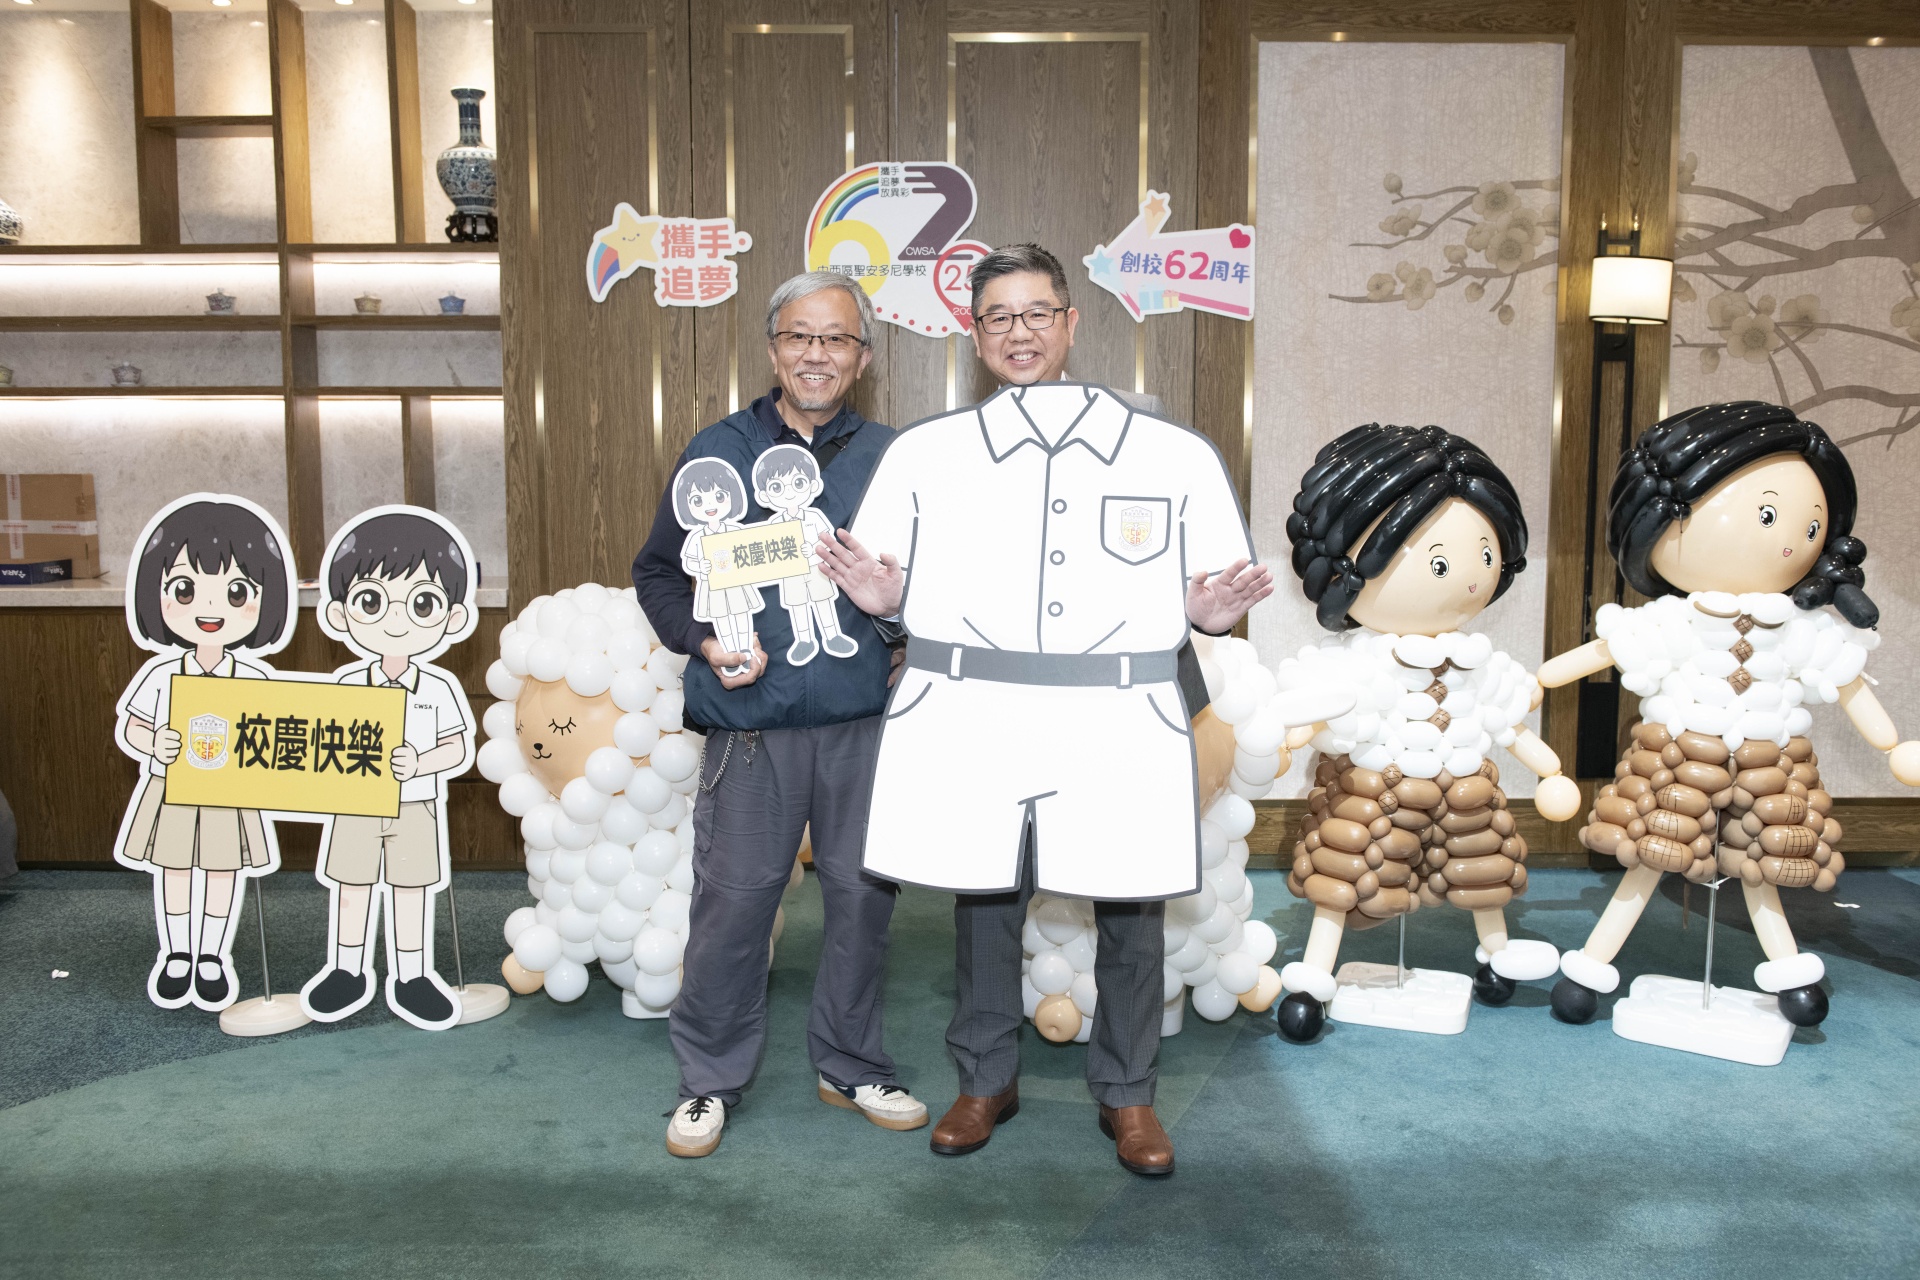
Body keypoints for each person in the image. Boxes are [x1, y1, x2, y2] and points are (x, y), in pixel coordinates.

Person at [816, 244, 1274, 1178]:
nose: (1019, 333)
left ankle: (1130, 1094)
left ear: (1070, 322)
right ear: (973, 333)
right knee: (984, 900)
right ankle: (986, 1079)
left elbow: (1208, 596)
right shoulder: (926, 454)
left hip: (1117, 716)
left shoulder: (1173, 453)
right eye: (998, 317)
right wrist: (884, 601)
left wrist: (1209, 614)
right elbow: (889, 588)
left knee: (1131, 901)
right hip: (978, 712)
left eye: (1036, 314)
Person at [632, 270, 926, 1158]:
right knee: (734, 906)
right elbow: (658, 572)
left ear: (864, 358)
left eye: (837, 339)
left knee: (863, 903)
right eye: (800, 336)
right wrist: (703, 641)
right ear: (773, 349)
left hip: (860, 724)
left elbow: (931, 584)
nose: (817, 354)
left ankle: (851, 1063)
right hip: (750, 724)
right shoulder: (716, 451)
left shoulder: (894, 458)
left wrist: (895, 618)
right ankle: (707, 1080)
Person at [1539, 401, 1919, 1028]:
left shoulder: (1801, 629)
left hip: (1772, 761)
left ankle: (1786, 969)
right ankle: (1593, 963)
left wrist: (1892, 744)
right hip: (1678, 756)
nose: (1790, 538)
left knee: (1759, 865)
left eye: (1811, 524)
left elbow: (1846, 681)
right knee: (1650, 857)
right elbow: (1601, 652)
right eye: (1768, 515)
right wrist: (1537, 682)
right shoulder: (1674, 621)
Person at [112, 495, 296, 1012]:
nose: (209, 610)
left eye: (236, 592)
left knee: (222, 872)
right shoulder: (161, 672)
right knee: (174, 871)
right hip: (172, 788)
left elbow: (277, 736)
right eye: (186, 590)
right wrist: (154, 743)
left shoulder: (254, 676)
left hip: (229, 793)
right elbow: (133, 725)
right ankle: (177, 953)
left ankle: (212, 954)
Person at [299, 507, 479, 1031]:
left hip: (416, 805)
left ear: (451, 618)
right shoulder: (347, 684)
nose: (396, 621)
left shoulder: (439, 687)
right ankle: (347, 968)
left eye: (421, 603)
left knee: (411, 889)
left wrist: (421, 762)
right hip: (355, 804)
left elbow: (456, 747)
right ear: (341, 615)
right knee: (351, 887)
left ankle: (412, 974)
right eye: (372, 601)